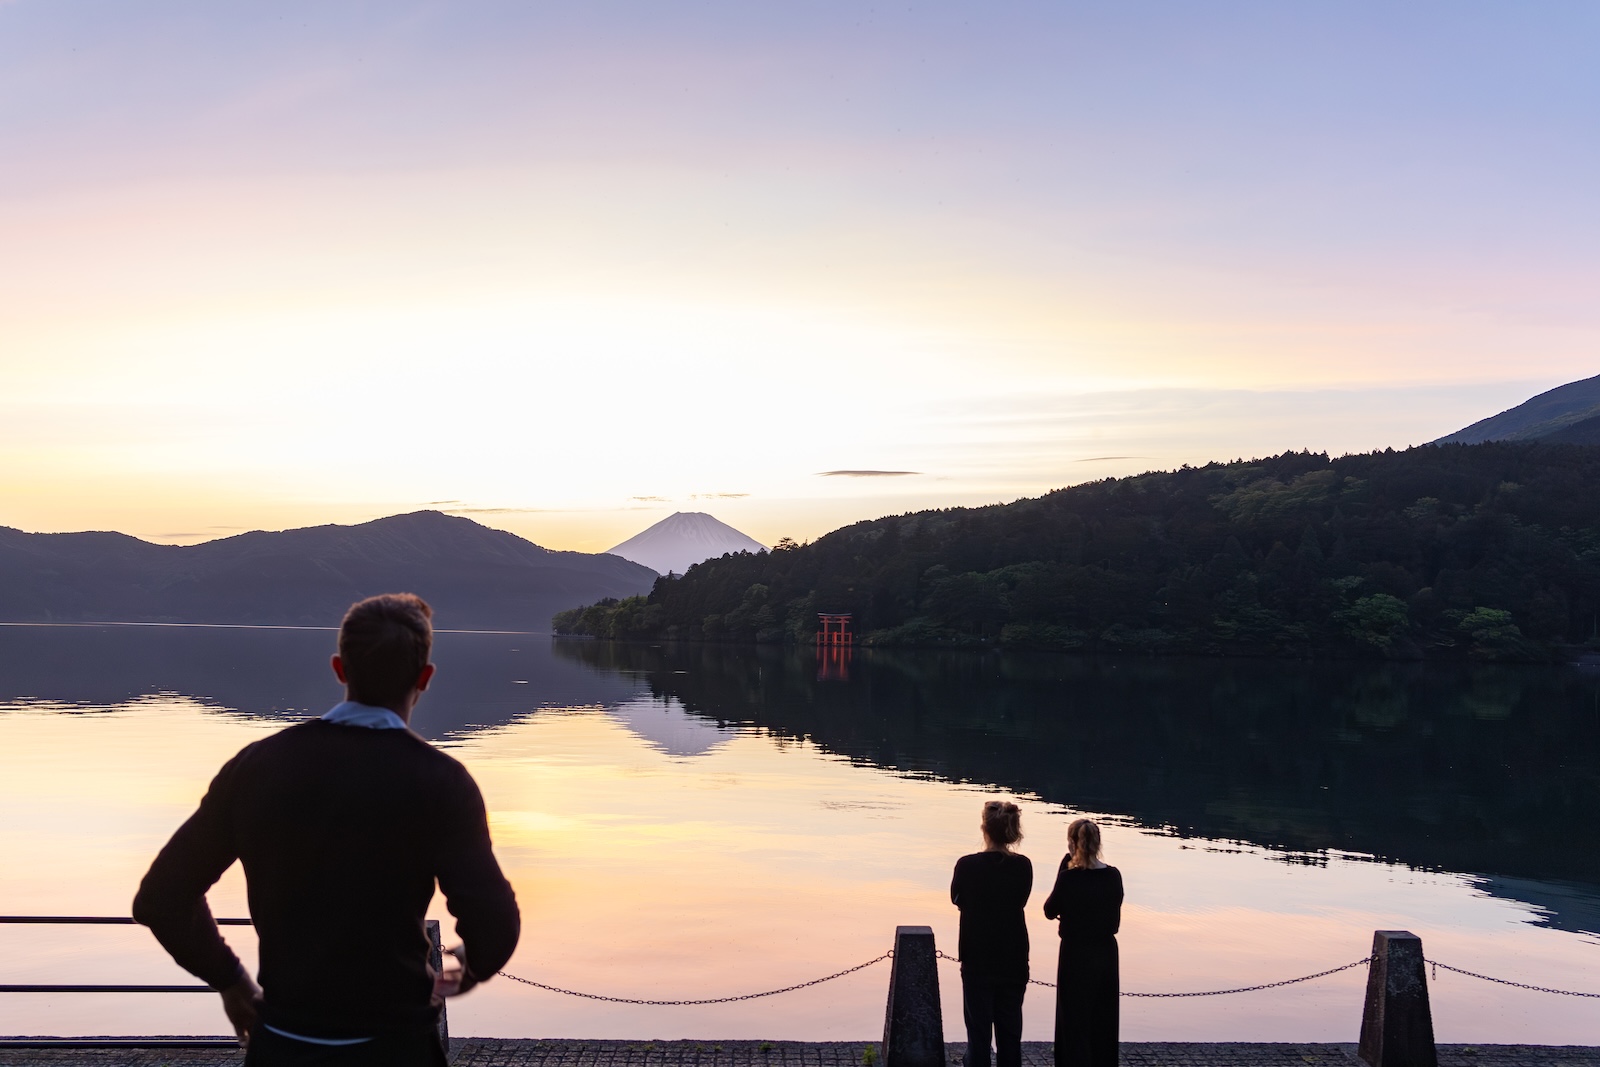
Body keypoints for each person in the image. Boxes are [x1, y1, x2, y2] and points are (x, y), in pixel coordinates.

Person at [132, 593, 520, 1066]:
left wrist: (229, 978)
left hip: (283, 1045)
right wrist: (474, 968)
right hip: (395, 1049)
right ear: (425, 678)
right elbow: (495, 922)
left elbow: (162, 897)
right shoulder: (440, 781)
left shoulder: (257, 767)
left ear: (340, 669)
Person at [950, 800, 1033, 1067]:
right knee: (1010, 1031)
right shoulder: (1023, 866)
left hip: (977, 955)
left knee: (978, 1031)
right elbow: (1021, 900)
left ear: (984, 828)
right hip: (1013, 954)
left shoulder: (966, 865)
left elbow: (957, 899)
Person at [1041, 818, 1122, 1067]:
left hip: (1074, 953)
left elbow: (1049, 909)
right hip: (1105, 953)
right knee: (1103, 1015)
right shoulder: (1113, 876)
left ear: (1072, 844)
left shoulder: (1068, 879)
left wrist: (1063, 871)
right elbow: (1114, 924)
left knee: (1073, 1016)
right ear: (1098, 844)